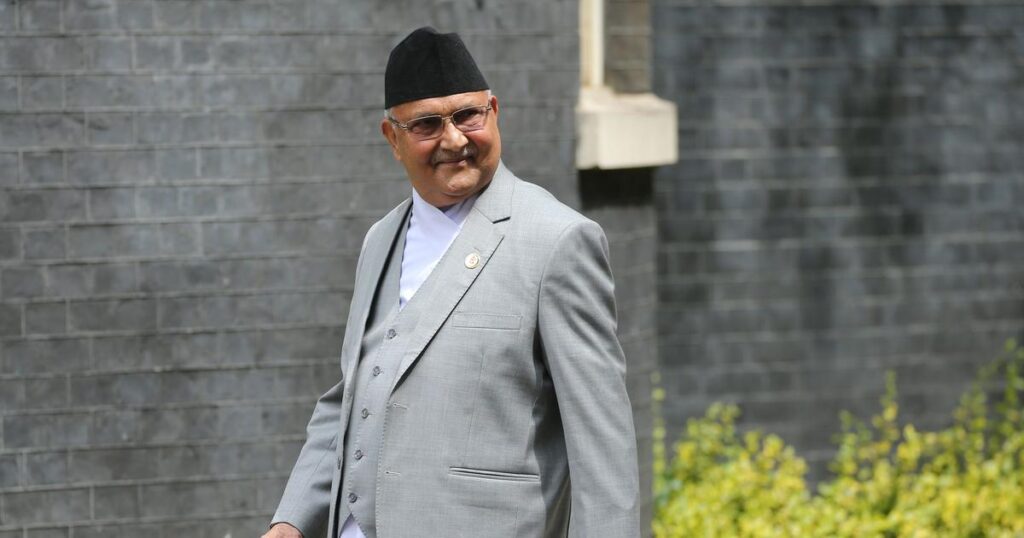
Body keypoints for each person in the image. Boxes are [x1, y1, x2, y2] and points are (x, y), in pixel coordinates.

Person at [262, 26, 640, 538]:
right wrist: (292, 520)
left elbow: (602, 443)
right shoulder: (380, 240)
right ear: (392, 139)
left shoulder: (557, 240)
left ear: (494, 111)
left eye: (467, 115)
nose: (455, 140)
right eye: (427, 124)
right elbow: (354, 396)